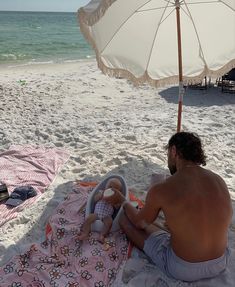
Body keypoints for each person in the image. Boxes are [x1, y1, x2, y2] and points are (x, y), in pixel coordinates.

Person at [105, 132, 233, 282]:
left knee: (125, 220)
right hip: (219, 262)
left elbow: (140, 222)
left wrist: (122, 200)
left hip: (184, 268)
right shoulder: (219, 180)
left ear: (173, 151)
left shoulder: (164, 187)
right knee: (162, 227)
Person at [78, 178, 122, 243]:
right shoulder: (101, 192)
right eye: (110, 186)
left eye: (114, 189)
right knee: (89, 218)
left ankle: (102, 235)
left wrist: (114, 202)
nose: (111, 189)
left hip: (106, 216)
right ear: (106, 186)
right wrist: (101, 195)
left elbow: (117, 208)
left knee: (109, 222)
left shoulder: (115, 199)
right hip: (97, 214)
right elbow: (95, 199)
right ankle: (85, 232)